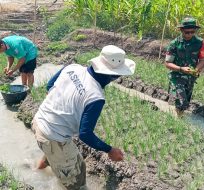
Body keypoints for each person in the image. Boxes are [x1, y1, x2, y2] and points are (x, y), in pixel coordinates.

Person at [32, 45, 136, 190]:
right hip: (53, 136)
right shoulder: (96, 97)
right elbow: (85, 134)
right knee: (77, 178)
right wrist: (110, 150)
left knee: (54, 154)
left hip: (39, 121)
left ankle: (35, 174)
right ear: (113, 76)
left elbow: (49, 86)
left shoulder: (72, 68)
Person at [164, 16, 204, 117]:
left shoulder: (200, 43)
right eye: (187, 32)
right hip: (176, 76)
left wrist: (196, 70)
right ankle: (178, 120)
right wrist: (180, 68)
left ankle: (179, 117)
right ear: (181, 30)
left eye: (192, 32)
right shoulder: (174, 44)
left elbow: (203, 59)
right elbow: (167, 63)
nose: (189, 34)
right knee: (182, 101)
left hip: (190, 77)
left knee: (185, 101)